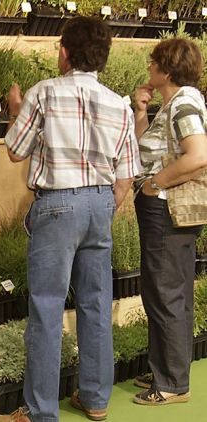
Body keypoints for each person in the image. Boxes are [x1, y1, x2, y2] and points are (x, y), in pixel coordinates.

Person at [0, 17, 141, 422]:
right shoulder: (119, 104)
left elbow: (14, 151)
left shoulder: (44, 93)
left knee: (46, 308)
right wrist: (105, 205)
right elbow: (126, 174)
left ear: (64, 52)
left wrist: (14, 110)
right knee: (95, 304)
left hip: (57, 204)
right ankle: (95, 399)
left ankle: (40, 412)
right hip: (100, 203)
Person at [130, 38, 207, 406]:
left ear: (168, 70)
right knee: (165, 289)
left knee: (166, 292)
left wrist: (155, 184)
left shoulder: (185, 103)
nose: (149, 66)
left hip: (167, 209)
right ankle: (167, 368)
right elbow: (149, 151)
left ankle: (173, 384)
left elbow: (198, 156)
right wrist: (140, 111)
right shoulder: (173, 104)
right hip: (164, 209)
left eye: (154, 61)